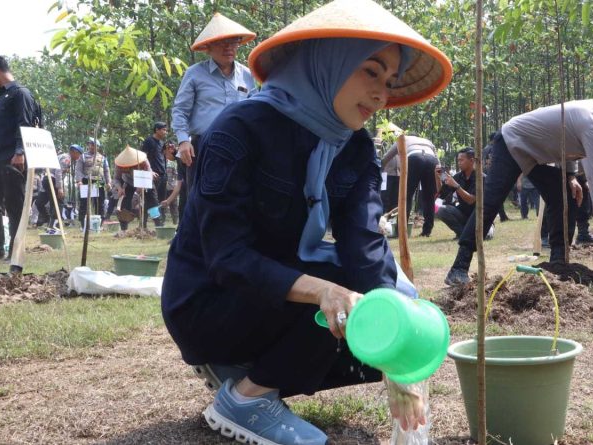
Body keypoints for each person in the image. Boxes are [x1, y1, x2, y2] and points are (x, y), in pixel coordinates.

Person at [161, 1, 452, 443]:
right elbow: (226, 257)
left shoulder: (354, 148)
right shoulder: (238, 130)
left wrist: (400, 355)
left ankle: (253, 370)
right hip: (209, 300)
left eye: (389, 82)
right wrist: (323, 291)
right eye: (370, 72)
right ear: (326, 64)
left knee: (369, 300)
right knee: (336, 292)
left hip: (273, 293)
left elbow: (365, 248)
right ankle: (246, 398)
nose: (381, 95)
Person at [444, 98, 593, 286]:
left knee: (565, 194)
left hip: (534, 152)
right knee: (490, 203)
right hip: (512, 141)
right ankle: (458, 267)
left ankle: (558, 263)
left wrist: (570, 176)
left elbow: (568, 139)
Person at [171, 13, 256, 191]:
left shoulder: (247, 75)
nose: (229, 48)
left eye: (233, 42)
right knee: (200, 199)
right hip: (202, 146)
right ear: (208, 47)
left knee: (237, 197)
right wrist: (183, 141)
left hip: (239, 146)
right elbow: (180, 110)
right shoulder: (194, 74)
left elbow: (254, 112)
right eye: (222, 42)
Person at [0, 54, 40, 260]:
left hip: (14, 159)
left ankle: (15, 252)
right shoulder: (2, 97)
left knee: (14, 207)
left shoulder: (21, 94)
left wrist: (20, 152)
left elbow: (25, 123)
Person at [381, 134, 439, 236]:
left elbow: (386, 157)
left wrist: (379, 169)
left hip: (414, 158)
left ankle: (401, 231)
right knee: (429, 197)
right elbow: (437, 161)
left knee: (406, 197)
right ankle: (427, 231)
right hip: (431, 160)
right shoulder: (427, 141)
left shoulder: (403, 138)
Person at [113, 146, 161, 231]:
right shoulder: (119, 164)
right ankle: (124, 229)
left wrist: (142, 186)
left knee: (153, 203)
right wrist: (119, 188)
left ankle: (158, 226)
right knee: (124, 205)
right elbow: (116, 178)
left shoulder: (143, 160)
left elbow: (149, 171)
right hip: (129, 183)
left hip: (145, 180)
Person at [435, 147, 478, 238]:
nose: (459, 163)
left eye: (461, 160)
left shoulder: (480, 177)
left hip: (479, 217)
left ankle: (468, 234)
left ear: (471, 160)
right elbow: (442, 195)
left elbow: (471, 200)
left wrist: (456, 186)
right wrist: (438, 178)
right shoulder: (458, 176)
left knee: (486, 234)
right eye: (458, 160)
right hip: (463, 215)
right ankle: (463, 234)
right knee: (440, 209)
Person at [74, 137, 111, 230]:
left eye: (93, 145)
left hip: (99, 181)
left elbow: (106, 171)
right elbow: (78, 169)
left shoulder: (103, 158)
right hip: (87, 181)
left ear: (97, 147)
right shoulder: (82, 156)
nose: (91, 146)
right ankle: (83, 225)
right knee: (84, 203)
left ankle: (99, 224)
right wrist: (79, 181)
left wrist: (109, 182)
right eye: (90, 144)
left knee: (100, 203)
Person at [141, 121, 168, 224]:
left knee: (160, 200)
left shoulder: (162, 143)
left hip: (163, 175)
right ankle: (158, 223)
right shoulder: (148, 141)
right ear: (157, 130)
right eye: (164, 130)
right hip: (151, 175)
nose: (165, 132)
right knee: (152, 200)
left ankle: (145, 223)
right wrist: (150, 171)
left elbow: (163, 158)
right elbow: (143, 158)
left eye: (166, 130)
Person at [161, 142, 180, 225]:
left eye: (166, 153)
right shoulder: (162, 163)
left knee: (174, 206)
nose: (165, 156)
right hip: (164, 187)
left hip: (173, 187)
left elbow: (177, 176)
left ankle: (175, 222)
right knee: (163, 205)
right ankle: (162, 221)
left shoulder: (175, 162)